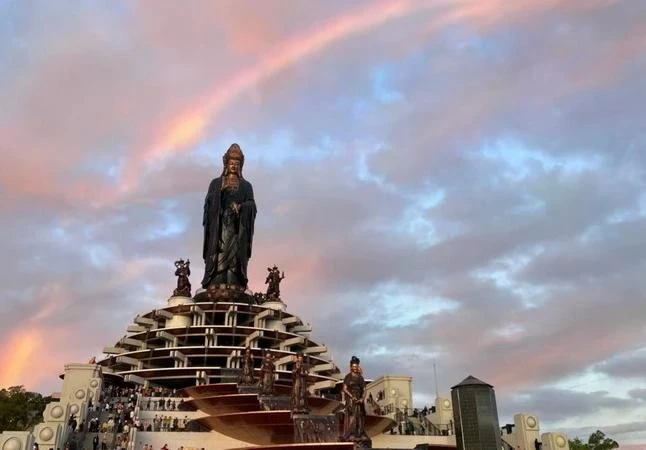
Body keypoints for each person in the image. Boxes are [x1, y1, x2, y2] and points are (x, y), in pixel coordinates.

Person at [201, 144, 257, 289]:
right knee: (218, 260)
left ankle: (236, 279)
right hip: (219, 229)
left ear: (241, 166)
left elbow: (252, 205)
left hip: (237, 229)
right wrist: (219, 192)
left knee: (234, 265)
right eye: (231, 163)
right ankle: (215, 278)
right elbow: (208, 205)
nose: (233, 166)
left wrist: (242, 207)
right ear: (226, 164)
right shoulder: (216, 183)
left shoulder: (246, 186)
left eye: (236, 164)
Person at [342, 356, 368, 442]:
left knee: (360, 416)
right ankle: (351, 433)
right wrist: (351, 396)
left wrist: (362, 398)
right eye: (353, 367)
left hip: (359, 398)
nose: (355, 368)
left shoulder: (360, 378)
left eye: (356, 366)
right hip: (351, 399)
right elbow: (345, 389)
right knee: (352, 416)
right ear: (351, 367)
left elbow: (364, 390)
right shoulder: (348, 377)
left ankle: (360, 433)